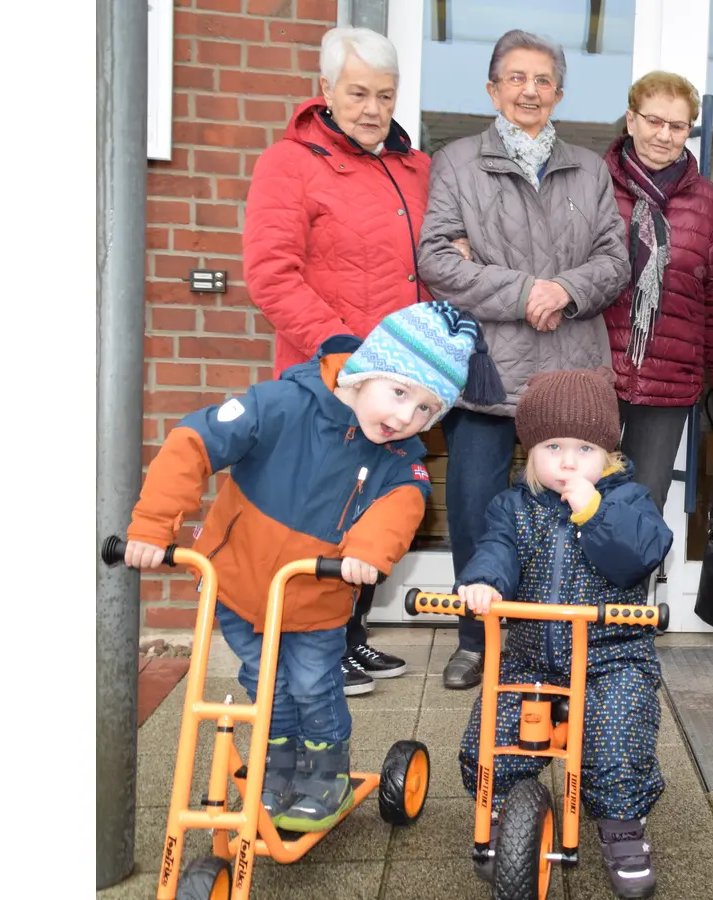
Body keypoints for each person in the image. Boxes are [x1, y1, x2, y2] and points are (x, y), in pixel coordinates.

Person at [121, 303, 496, 832]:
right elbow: (193, 442)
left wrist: (367, 551)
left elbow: (406, 501)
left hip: (317, 598)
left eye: (425, 409)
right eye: (399, 392)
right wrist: (152, 526)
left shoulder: (400, 459)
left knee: (312, 684)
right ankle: (278, 767)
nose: (405, 417)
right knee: (264, 684)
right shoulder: (280, 404)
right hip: (237, 585)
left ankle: (326, 775)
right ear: (366, 370)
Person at [419, 28, 631, 689]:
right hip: (488, 369)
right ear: (492, 89)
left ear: (559, 94)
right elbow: (436, 260)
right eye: (516, 78)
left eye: (543, 81)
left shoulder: (589, 169)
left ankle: (564, 638)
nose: (529, 91)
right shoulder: (456, 162)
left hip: (569, 368)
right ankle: (475, 640)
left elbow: (615, 260)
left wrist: (564, 290)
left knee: (573, 504)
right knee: (476, 509)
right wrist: (523, 292)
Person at [243, 26, 433, 696]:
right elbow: (271, 274)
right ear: (325, 89)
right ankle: (311, 651)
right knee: (322, 510)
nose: (373, 108)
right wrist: (343, 349)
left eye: (385, 94)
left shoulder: (415, 169)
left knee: (375, 506)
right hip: (330, 378)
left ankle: (349, 636)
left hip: (400, 382)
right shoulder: (289, 164)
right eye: (357, 93)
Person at [454, 368, 671, 900]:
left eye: (584, 449)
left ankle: (622, 828)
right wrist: (484, 582)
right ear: (530, 451)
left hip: (611, 656)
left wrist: (594, 513)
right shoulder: (513, 506)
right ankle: (502, 812)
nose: (569, 462)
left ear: (609, 455)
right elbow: (497, 549)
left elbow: (640, 554)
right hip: (531, 656)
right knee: (493, 734)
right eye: (553, 447)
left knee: (618, 732)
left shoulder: (628, 501)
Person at [601, 71, 713, 514]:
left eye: (677, 126)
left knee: (642, 510)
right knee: (577, 500)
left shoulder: (708, 201)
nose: (664, 135)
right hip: (596, 373)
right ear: (631, 120)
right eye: (654, 121)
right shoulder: (592, 183)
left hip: (668, 384)